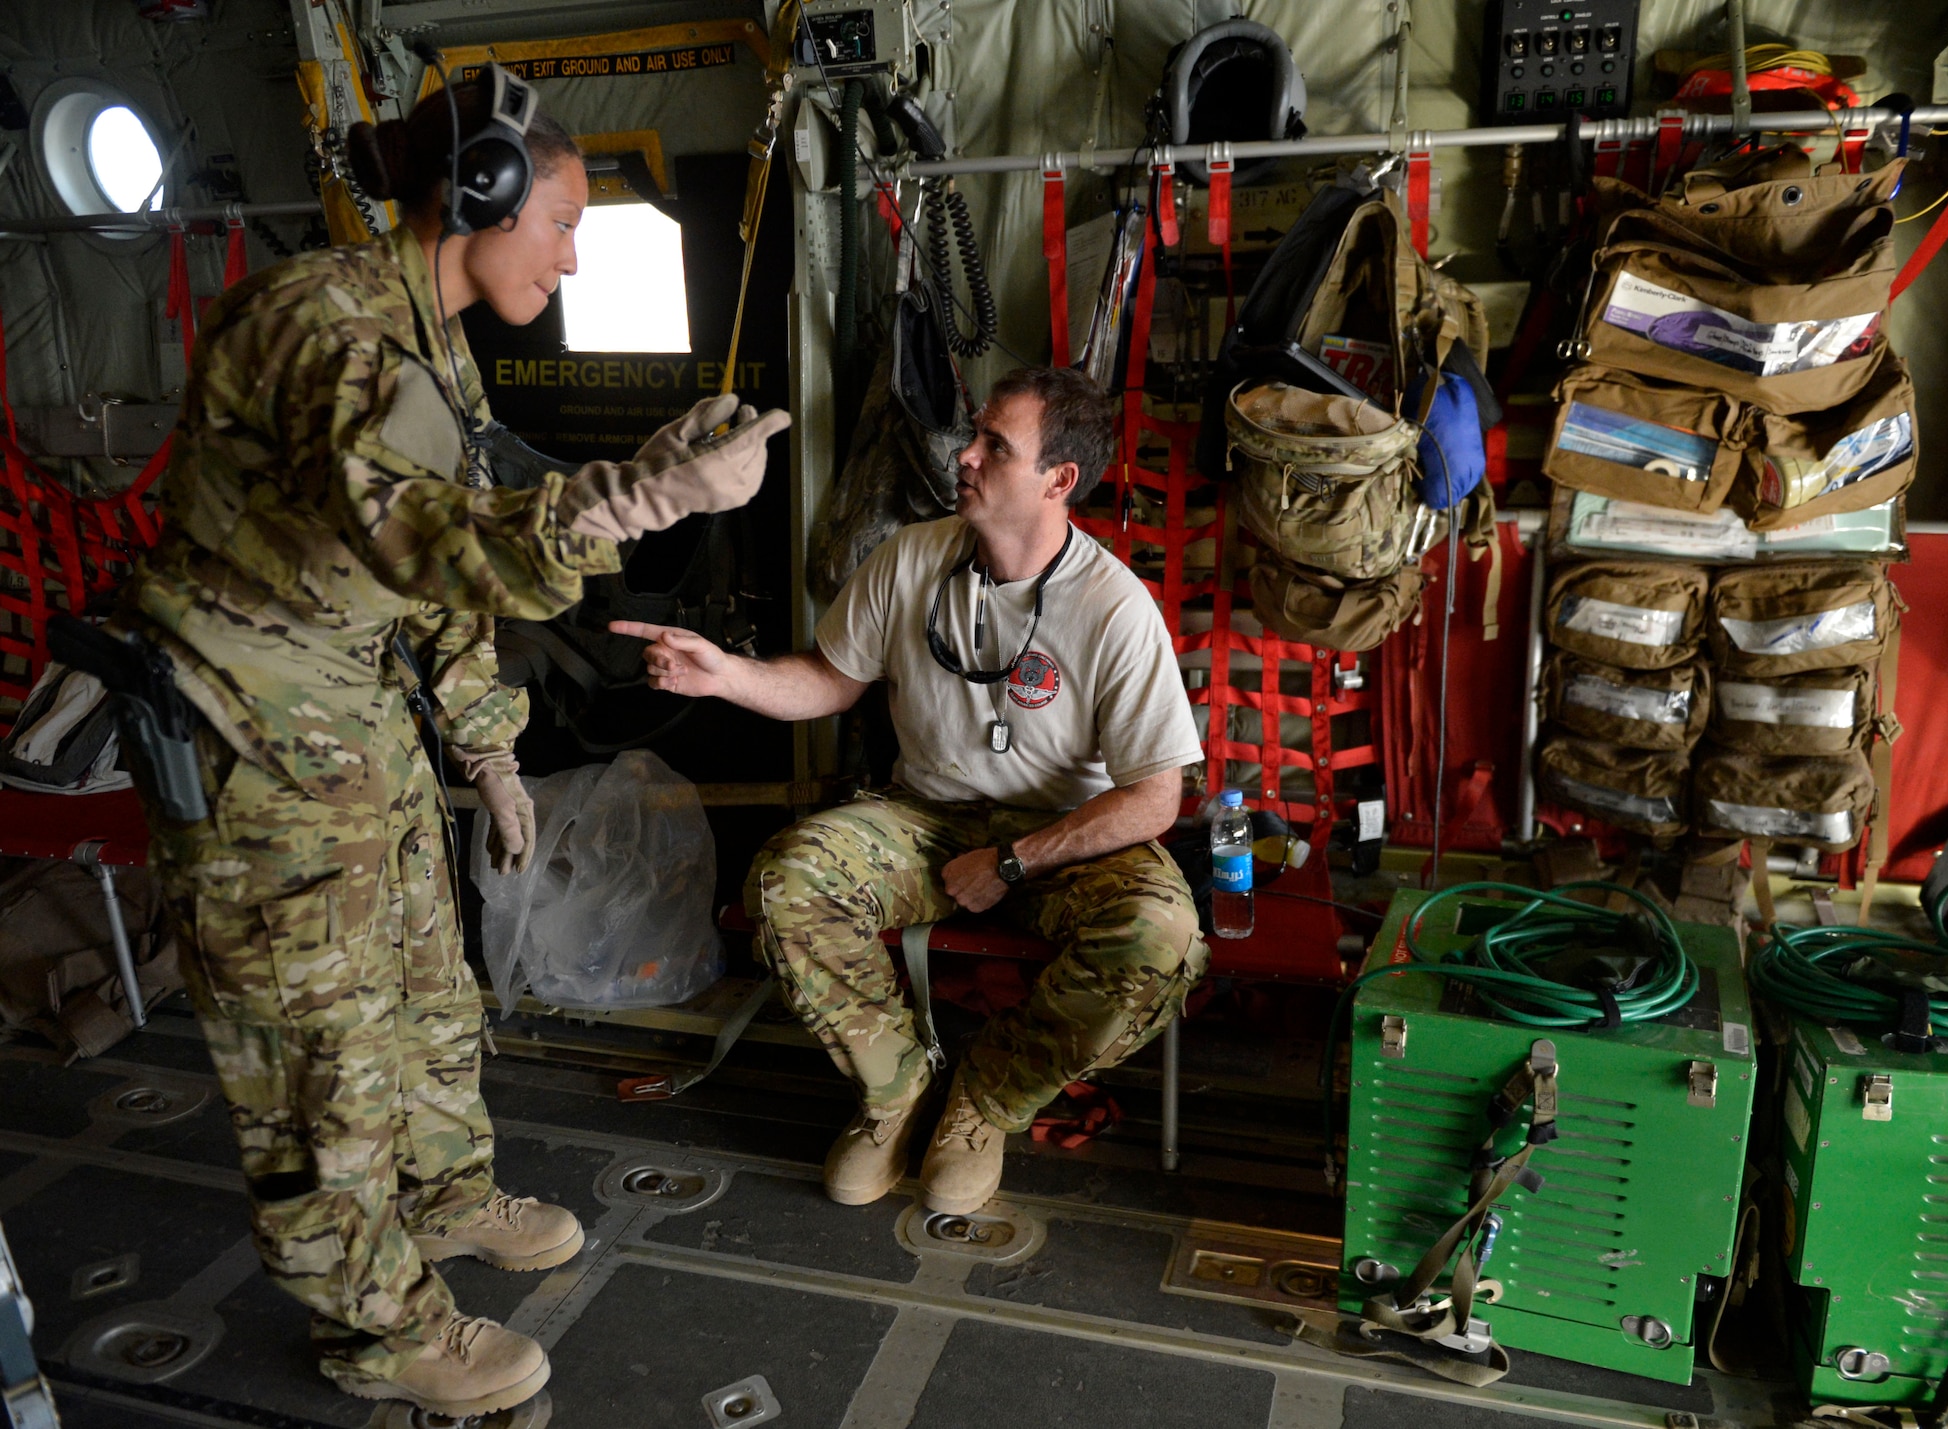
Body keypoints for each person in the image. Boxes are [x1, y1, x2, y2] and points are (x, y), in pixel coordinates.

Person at [114, 67, 787, 1418]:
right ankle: (380, 1327)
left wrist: (484, 748)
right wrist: (645, 494)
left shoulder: (430, 334)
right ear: (474, 200)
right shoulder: (334, 334)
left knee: (427, 992)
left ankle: (447, 1197)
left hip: (352, 723)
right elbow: (425, 540)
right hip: (261, 751)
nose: (576, 252)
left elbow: (437, 578)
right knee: (324, 1060)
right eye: (562, 221)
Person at [614, 366, 1207, 1216]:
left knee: (1161, 936)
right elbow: (827, 678)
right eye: (974, 433)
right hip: (925, 817)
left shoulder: (1115, 607)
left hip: (1056, 834)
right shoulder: (913, 556)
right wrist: (725, 677)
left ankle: (986, 1100)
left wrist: (1009, 861)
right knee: (789, 880)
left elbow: (1154, 798)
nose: (963, 454)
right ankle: (895, 1088)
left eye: (995, 445)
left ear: (1058, 479)